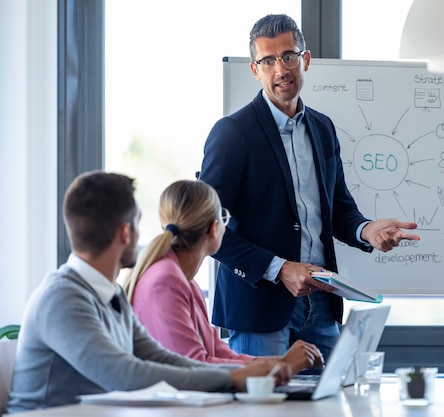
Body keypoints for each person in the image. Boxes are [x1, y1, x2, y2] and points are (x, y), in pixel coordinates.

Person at [198, 14, 420, 360]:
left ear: (306, 60)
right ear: (255, 70)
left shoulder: (322, 128)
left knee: (331, 406)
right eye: (267, 61)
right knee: (267, 411)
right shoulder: (233, 134)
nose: (280, 70)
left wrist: (366, 230)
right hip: (260, 310)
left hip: (321, 305)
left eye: (288, 56)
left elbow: (338, 209)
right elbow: (205, 227)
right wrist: (279, 268)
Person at [7, 171, 292, 413]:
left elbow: (162, 358)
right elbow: (126, 374)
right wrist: (235, 378)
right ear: (125, 233)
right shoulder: (62, 297)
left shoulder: (110, 294)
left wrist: (242, 374)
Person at [123, 180, 323, 371]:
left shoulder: (183, 279)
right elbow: (194, 366)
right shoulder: (166, 280)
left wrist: (282, 362)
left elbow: (219, 353)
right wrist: (282, 366)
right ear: (213, 229)